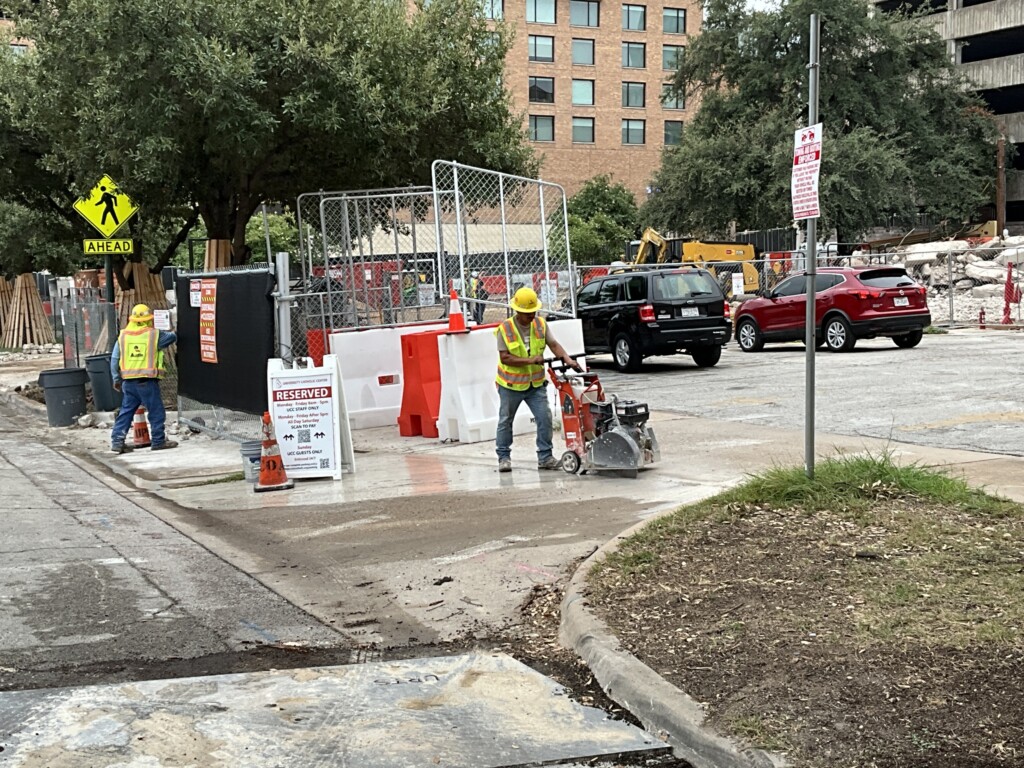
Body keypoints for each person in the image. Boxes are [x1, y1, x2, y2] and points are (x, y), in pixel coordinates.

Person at [495, 286, 581, 472]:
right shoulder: (506, 329)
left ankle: (545, 457)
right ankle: (503, 457)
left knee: (544, 418)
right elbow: (505, 357)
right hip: (510, 385)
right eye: (527, 313)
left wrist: (567, 359)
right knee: (505, 421)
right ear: (518, 311)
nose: (531, 316)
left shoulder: (540, 324)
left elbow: (554, 344)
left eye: (533, 312)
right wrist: (530, 360)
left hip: (535, 384)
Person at [109, 303, 178, 453]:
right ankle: (158, 441)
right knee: (156, 411)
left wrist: (116, 379)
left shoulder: (123, 336)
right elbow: (172, 337)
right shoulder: (154, 335)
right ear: (148, 319)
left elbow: (114, 359)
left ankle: (117, 441)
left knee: (126, 412)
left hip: (128, 382)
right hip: (146, 381)